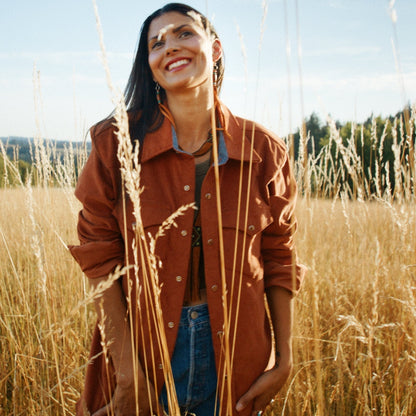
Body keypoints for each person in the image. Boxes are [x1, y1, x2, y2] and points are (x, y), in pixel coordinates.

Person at [69, 3, 305, 416]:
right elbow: (99, 261)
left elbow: (279, 254)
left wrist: (284, 359)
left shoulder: (263, 150)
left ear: (213, 48)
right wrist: (127, 377)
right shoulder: (114, 145)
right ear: (150, 65)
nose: (170, 46)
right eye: (156, 43)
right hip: (144, 355)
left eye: (183, 33)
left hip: (237, 359)